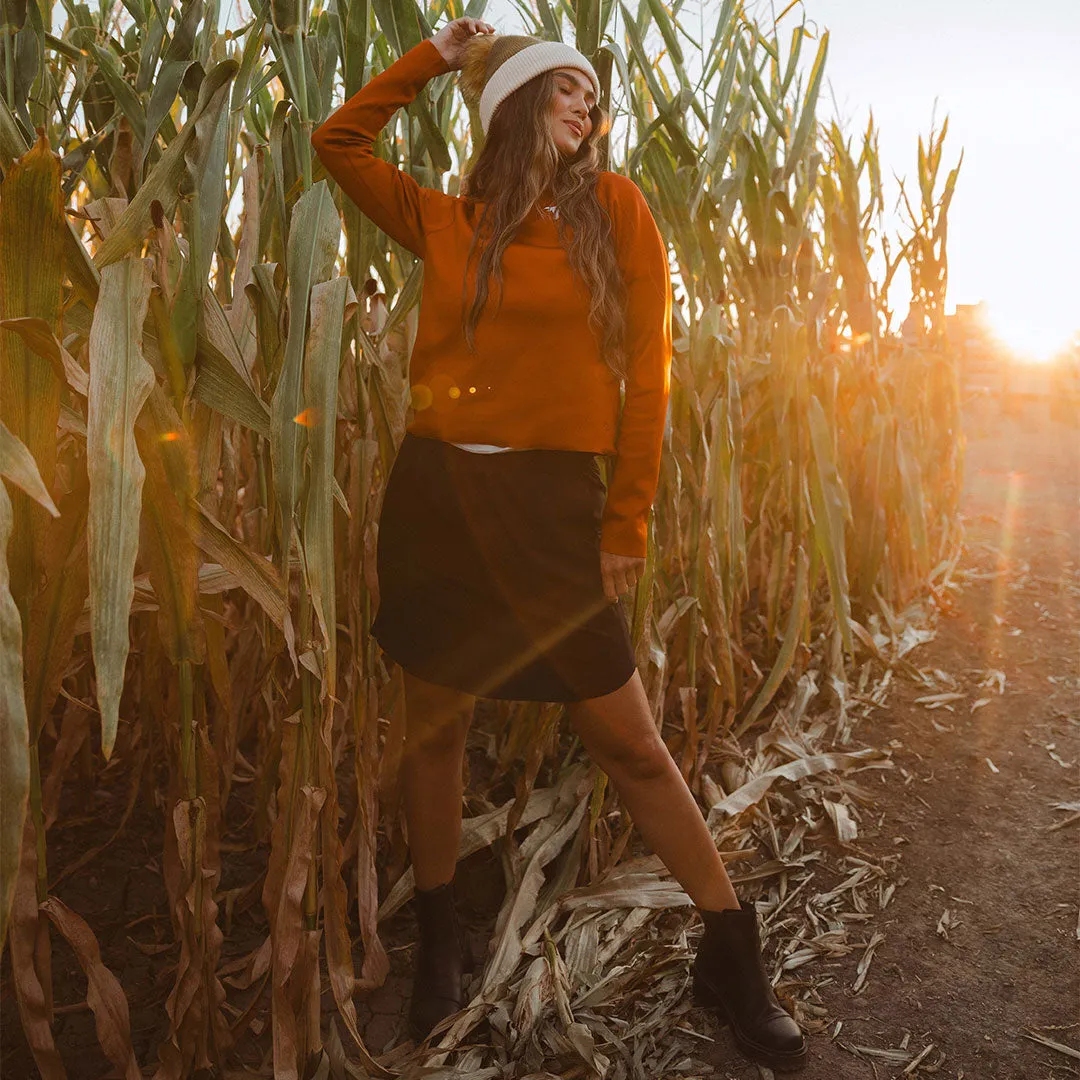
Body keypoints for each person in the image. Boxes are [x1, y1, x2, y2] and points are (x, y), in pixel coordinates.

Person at [311, 17, 807, 1072]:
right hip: (437, 496)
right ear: (516, 107)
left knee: (630, 742)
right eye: (564, 89)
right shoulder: (446, 221)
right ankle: (440, 940)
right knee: (434, 731)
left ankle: (730, 953)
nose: (586, 104)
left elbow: (654, 374)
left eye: (593, 93)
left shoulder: (617, 213)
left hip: (551, 511)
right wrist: (437, 60)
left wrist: (624, 519)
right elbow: (337, 142)